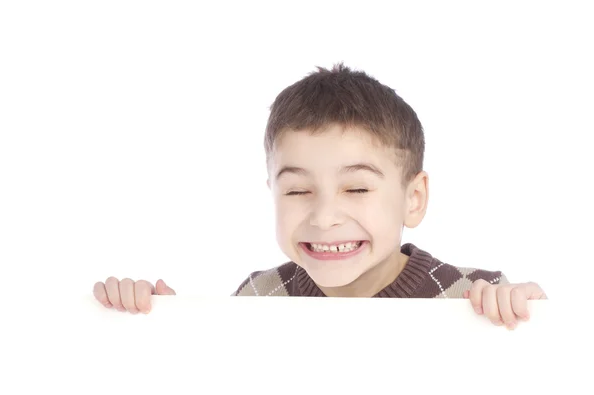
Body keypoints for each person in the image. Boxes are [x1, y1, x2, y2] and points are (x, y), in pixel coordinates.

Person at [93, 63, 547, 330]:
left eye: (356, 188)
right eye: (297, 190)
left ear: (413, 197)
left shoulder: (474, 298)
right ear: (271, 192)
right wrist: (165, 324)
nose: (325, 216)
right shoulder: (258, 298)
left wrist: (529, 314)